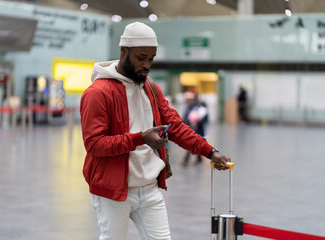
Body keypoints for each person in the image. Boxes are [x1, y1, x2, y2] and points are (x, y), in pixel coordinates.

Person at [80, 21, 231, 240]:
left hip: (150, 188)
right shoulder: (98, 93)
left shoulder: (150, 87)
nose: (147, 65)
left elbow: (176, 127)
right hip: (113, 191)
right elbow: (95, 145)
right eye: (141, 58)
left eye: (151, 59)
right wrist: (140, 138)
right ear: (124, 51)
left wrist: (210, 151)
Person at [182, 90, 209, 166]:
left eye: (189, 100)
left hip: (198, 131)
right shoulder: (188, 108)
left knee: (192, 146)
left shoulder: (200, 109)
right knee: (196, 146)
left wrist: (197, 122)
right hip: (190, 130)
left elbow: (205, 120)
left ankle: (185, 160)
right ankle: (199, 159)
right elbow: (185, 119)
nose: (188, 101)